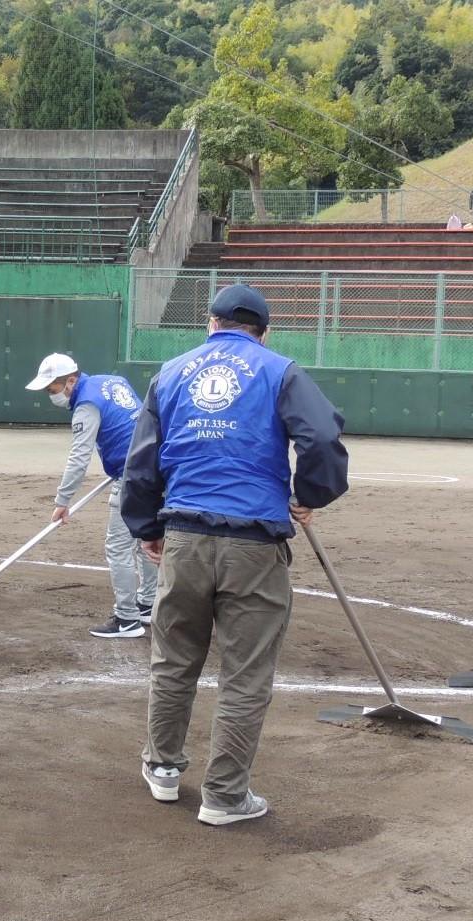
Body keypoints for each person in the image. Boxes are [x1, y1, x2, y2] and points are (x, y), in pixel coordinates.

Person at [122, 283, 348, 826]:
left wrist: (146, 525)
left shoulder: (171, 373)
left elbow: (142, 458)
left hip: (184, 535)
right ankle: (224, 797)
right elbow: (319, 438)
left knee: (173, 660)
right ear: (262, 331)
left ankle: (163, 769)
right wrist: (309, 494)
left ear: (211, 324)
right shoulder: (280, 370)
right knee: (245, 674)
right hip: (254, 542)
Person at [24, 353, 156, 639]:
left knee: (119, 547)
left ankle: (127, 619)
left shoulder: (86, 405)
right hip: (154, 467)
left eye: (53, 389)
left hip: (132, 475)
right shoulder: (112, 381)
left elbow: (79, 458)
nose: (52, 395)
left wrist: (62, 501)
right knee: (146, 535)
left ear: (71, 381)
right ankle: (148, 604)